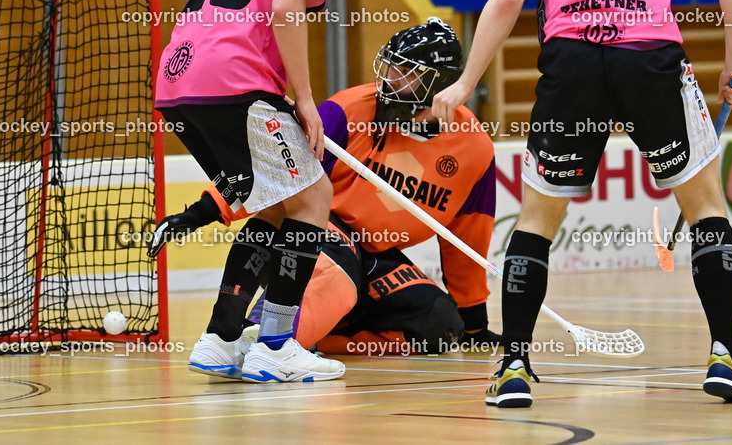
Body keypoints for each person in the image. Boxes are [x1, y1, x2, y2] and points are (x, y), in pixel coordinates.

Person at [431, 0, 732, 407]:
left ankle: (513, 368)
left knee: (537, 220)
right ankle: (725, 357)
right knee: (708, 206)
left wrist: (462, 83)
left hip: (572, 66)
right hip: (651, 62)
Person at [153, 19, 501, 361]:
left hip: (377, 258)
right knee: (334, 267)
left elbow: (468, 237)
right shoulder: (347, 110)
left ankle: (321, 338)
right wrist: (202, 212)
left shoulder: (476, 150)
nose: (389, 81)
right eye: (391, 67)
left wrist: (475, 325)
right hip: (325, 231)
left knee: (440, 323)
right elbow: (275, 172)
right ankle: (263, 340)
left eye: (406, 74)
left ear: (440, 85)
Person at [153, 0, 346, 383]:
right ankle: (278, 343)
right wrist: (304, 99)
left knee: (271, 207)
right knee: (314, 200)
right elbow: (287, 5)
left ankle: (222, 338)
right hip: (235, 81)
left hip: (178, 80)